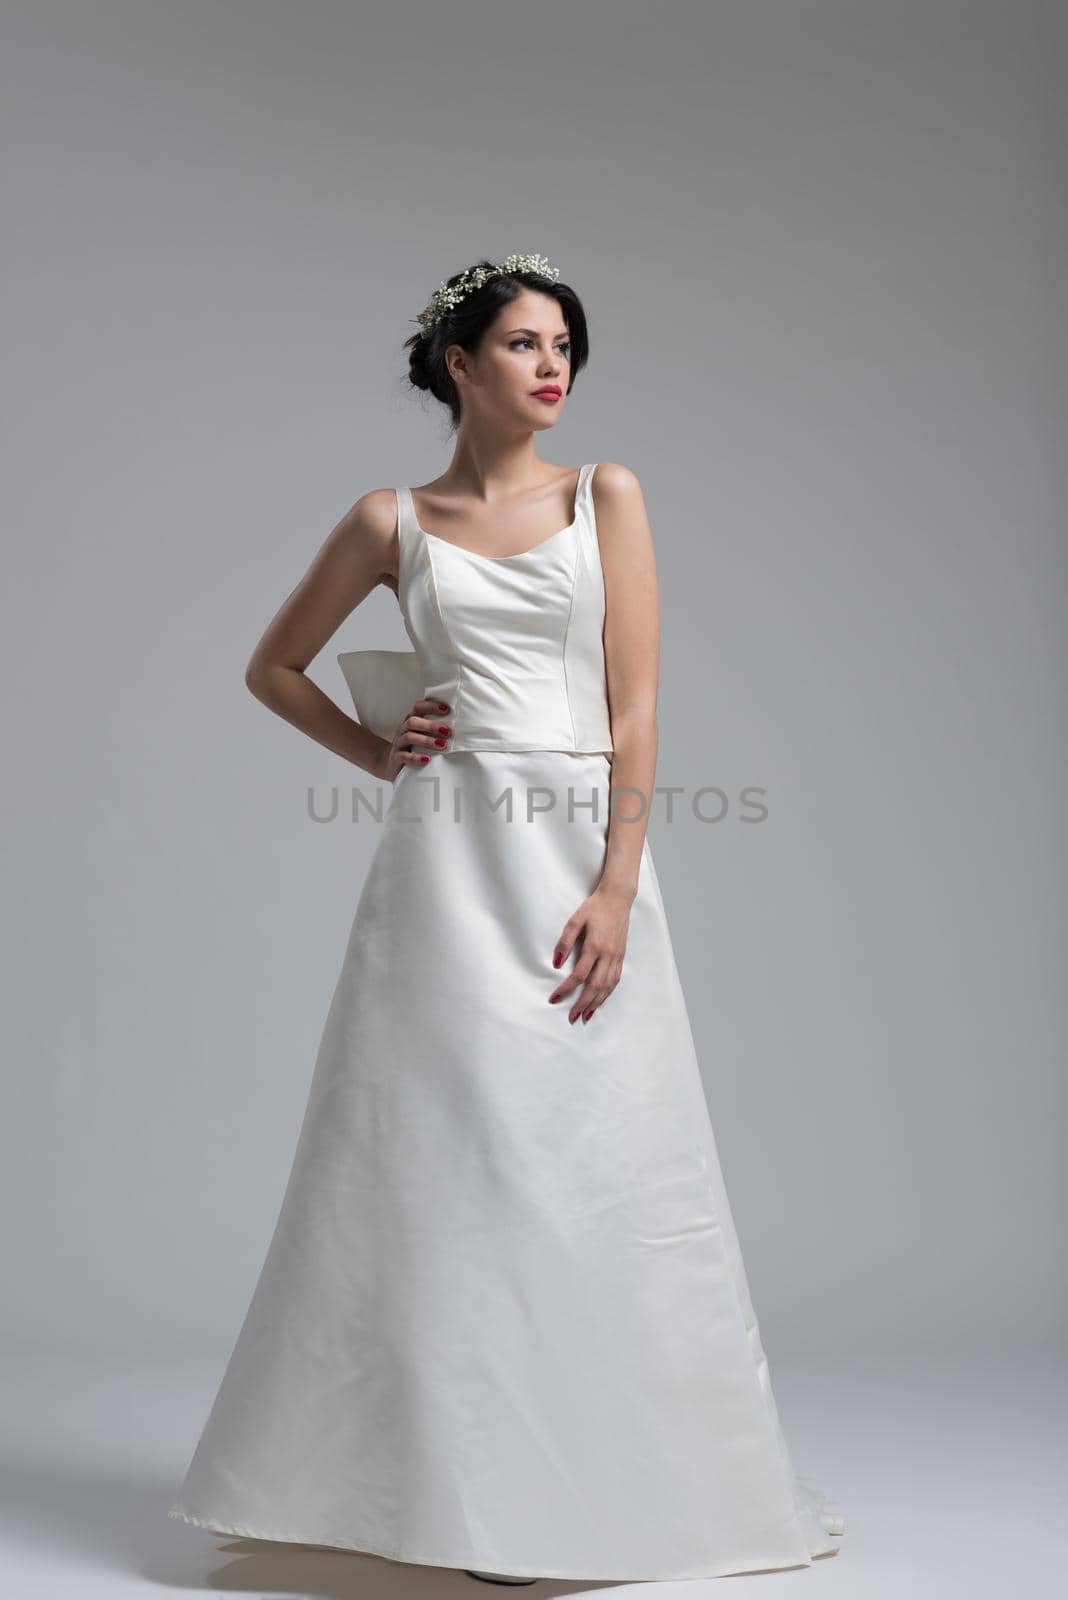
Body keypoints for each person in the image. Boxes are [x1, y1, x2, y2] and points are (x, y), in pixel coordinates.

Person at [167, 253, 845, 1584]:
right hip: (444, 868)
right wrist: (381, 759)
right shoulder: (389, 521)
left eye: (567, 347)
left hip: (579, 856)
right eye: (526, 344)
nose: (554, 367)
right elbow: (274, 668)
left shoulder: (610, 497)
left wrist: (617, 884)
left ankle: (595, 1494)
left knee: (591, 1160)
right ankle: (451, 1503)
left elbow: (638, 705)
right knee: (436, 1169)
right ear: (457, 365)